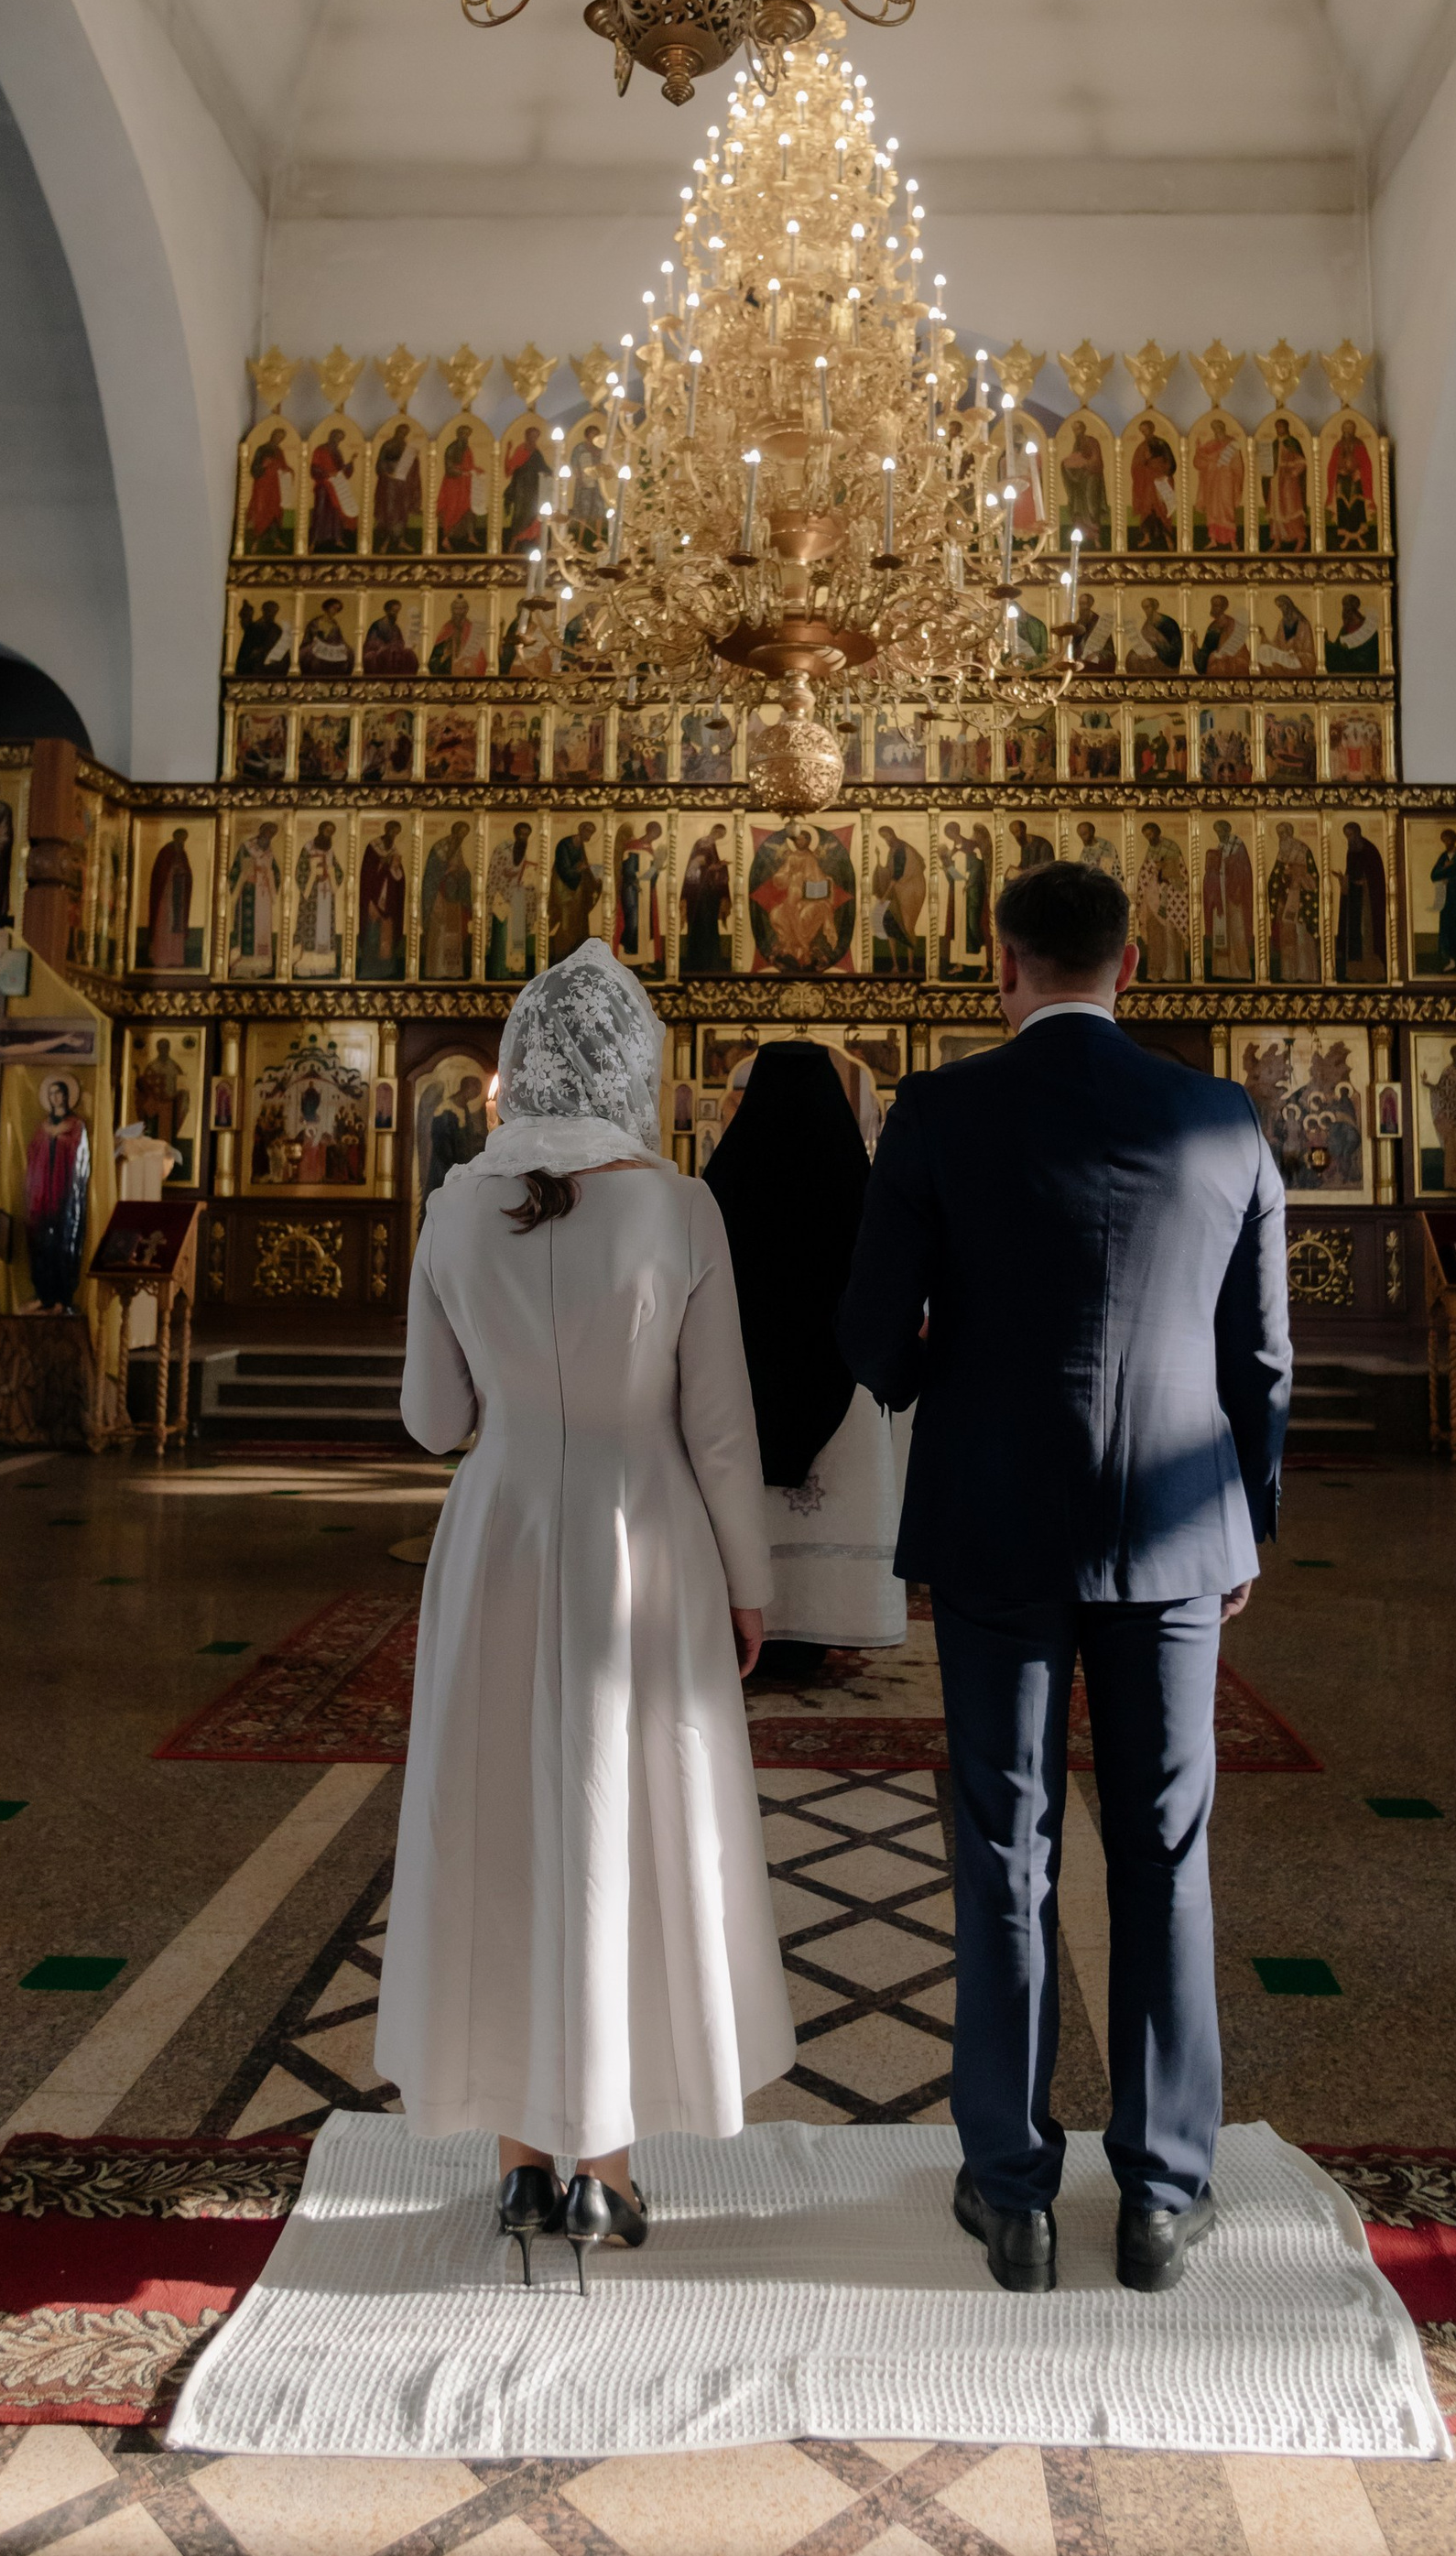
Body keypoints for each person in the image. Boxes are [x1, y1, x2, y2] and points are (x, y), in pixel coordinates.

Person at [839, 859, 1290, 2298]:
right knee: (1163, 1849)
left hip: (989, 1519)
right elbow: (1263, 1359)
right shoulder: (1222, 1117)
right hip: (1174, 1535)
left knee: (1002, 1844)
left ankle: (1013, 2191)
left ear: (1000, 963)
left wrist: (939, 1379)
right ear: (1133, 967)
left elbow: (868, 1332)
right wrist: (1247, 1525)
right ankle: (1163, 2194)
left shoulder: (939, 1109)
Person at [378, 941, 792, 2284]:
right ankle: (607, 2173)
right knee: (624, 1821)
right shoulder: (678, 1210)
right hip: (644, 1539)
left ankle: (514, 2163)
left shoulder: (453, 1207)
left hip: (499, 1534)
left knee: (501, 1817)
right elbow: (722, 1432)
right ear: (635, 1068)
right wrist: (752, 1582)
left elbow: (434, 1423)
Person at [705, 1042, 908, 1671]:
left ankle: (747, 1621)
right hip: (838, 1381)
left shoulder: (724, 1180)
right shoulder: (854, 1176)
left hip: (743, 1382)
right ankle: (820, 1626)